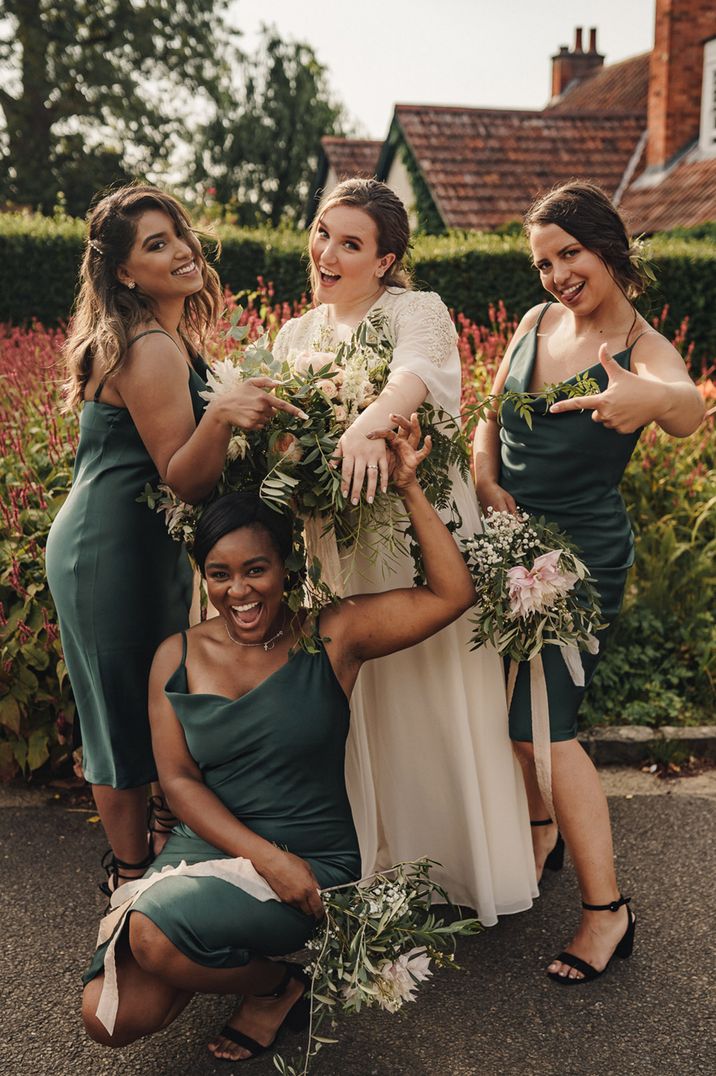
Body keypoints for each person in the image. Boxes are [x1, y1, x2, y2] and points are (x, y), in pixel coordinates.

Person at [80, 415, 476, 1061]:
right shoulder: (174, 657)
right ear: (202, 575)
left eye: (256, 569)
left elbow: (451, 594)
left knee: (152, 937)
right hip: (210, 847)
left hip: (311, 859)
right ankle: (260, 971)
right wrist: (264, 858)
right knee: (107, 1017)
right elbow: (177, 782)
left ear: (287, 567)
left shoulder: (333, 636)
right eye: (219, 574)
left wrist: (409, 487)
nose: (239, 591)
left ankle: (270, 986)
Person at [272, 178, 537, 921]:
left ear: (385, 260)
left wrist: (368, 422)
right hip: (337, 543)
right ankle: (369, 859)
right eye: (323, 233)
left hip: (416, 530)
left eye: (350, 243)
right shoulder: (295, 336)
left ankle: (452, 865)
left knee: (430, 684)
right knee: (356, 695)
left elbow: (417, 375)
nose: (326, 252)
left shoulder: (415, 311)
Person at [473, 179, 705, 984]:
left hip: (579, 559)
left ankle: (608, 913)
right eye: (543, 261)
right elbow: (489, 413)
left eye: (569, 253)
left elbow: (686, 409)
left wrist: (653, 397)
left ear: (607, 245)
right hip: (505, 540)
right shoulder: (535, 322)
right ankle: (542, 834)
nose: (557, 273)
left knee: (547, 725)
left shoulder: (640, 346)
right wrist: (485, 478)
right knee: (510, 714)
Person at [45, 184, 304, 896]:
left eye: (178, 234)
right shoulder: (149, 346)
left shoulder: (165, 337)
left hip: (139, 546)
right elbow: (183, 477)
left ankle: (153, 858)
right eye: (154, 245)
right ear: (124, 273)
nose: (181, 250)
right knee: (122, 715)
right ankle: (129, 881)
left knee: (151, 702)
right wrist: (221, 414)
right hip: (110, 551)